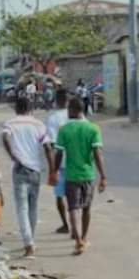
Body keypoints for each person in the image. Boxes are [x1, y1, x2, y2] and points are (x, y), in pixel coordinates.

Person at [51, 97, 107, 256]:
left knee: (73, 208)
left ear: (75, 110)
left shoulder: (64, 130)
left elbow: (59, 154)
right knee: (87, 208)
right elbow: (97, 154)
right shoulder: (93, 129)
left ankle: (78, 241)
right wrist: (103, 176)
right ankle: (83, 237)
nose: (67, 112)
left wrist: (55, 171)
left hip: (71, 176)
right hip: (88, 175)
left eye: (69, 109)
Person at [2, 97, 54, 258]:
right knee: (32, 207)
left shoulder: (10, 124)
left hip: (19, 169)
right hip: (35, 170)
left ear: (16, 109)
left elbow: (5, 137)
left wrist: (12, 155)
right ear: (30, 109)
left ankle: (29, 243)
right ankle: (30, 240)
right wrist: (53, 170)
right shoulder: (38, 124)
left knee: (22, 208)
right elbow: (48, 147)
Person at [46, 89, 70, 234]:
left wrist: (53, 168)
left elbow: (53, 145)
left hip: (61, 163)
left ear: (56, 100)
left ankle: (66, 224)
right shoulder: (77, 115)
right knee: (75, 195)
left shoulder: (53, 118)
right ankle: (77, 224)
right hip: (77, 162)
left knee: (60, 195)